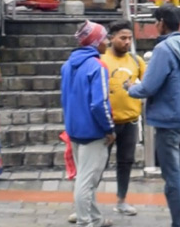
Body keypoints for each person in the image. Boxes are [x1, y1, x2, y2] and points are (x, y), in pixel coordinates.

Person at [127, 3, 180, 227]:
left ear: (161, 23)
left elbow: (148, 87)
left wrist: (130, 87)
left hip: (168, 122)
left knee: (172, 179)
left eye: (155, 21)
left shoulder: (164, 49)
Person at [61, 20, 115, 227]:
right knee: (87, 182)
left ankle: (95, 218)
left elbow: (65, 98)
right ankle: (85, 222)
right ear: (95, 42)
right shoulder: (98, 66)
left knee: (84, 178)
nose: (107, 42)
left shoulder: (67, 65)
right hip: (93, 131)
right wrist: (109, 129)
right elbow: (99, 103)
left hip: (74, 129)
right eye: (104, 38)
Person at [101, 19, 146, 216]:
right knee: (98, 164)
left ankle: (122, 200)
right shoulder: (101, 60)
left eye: (129, 38)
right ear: (111, 39)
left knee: (126, 162)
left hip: (130, 121)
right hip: (106, 123)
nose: (127, 42)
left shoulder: (137, 61)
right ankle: (86, 204)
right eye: (122, 38)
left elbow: (147, 86)